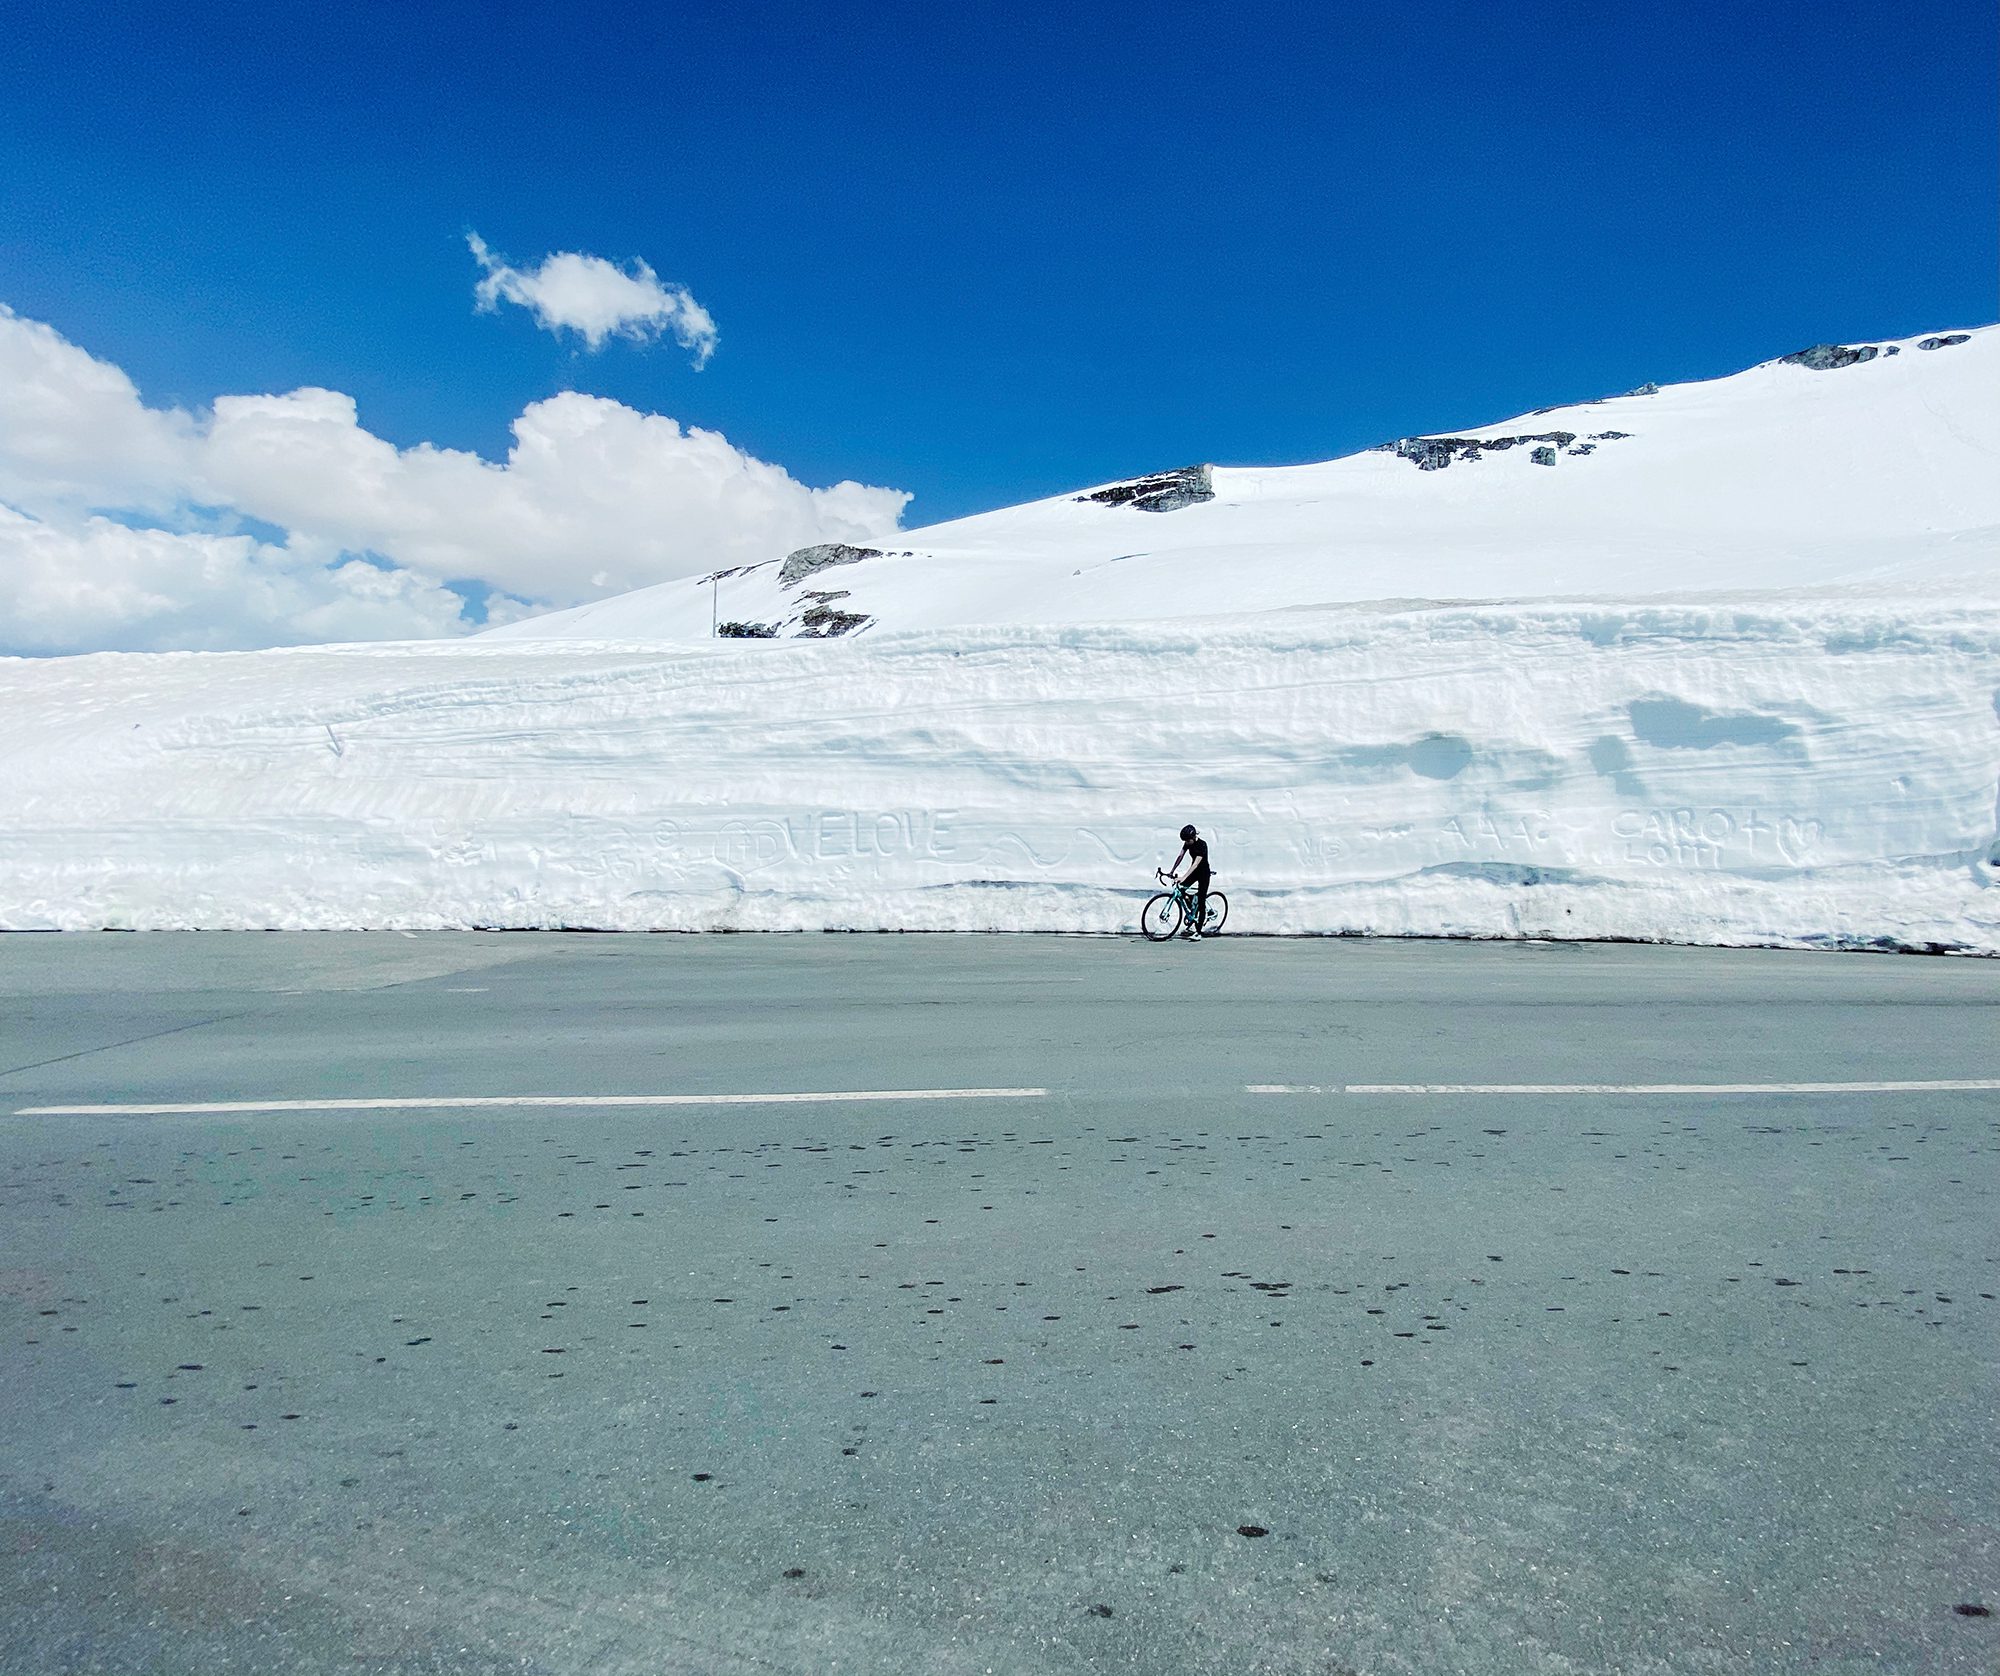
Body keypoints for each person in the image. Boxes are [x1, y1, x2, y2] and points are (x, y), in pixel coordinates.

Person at [1168, 823, 1211, 939]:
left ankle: (1198, 932)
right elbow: (1180, 856)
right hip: (1194, 873)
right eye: (1185, 841)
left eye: (1187, 841)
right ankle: (1191, 903)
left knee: (1201, 903)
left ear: (1193, 838)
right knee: (1180, 889)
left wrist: (1184, 877)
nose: (1186, 843)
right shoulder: (1187, 843)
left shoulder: (1202, 845)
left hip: (1203, 874)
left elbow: (1196, 864)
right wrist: (1172, 871)